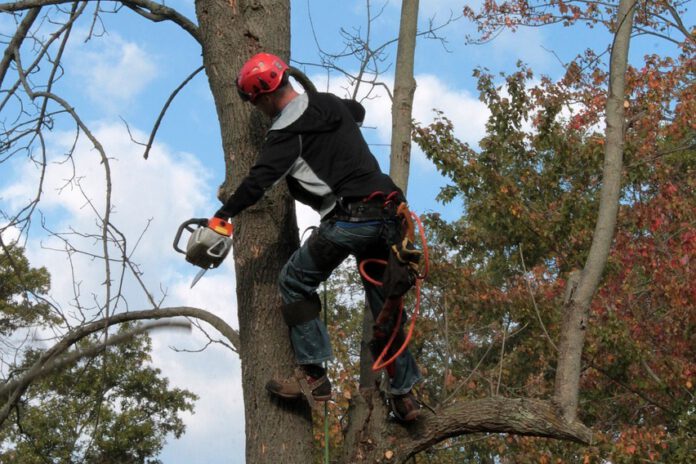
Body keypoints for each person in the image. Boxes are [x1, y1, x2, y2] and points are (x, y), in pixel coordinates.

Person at [214, 52, 421, 421]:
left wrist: (222, 215)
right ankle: (405, 397)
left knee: (293, 281)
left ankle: (314, 378)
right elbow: (356, 111)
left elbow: (257, 183)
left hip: (350, 219)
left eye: (255, 103)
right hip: (391, 216)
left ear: (262, 97)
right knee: (384, 305)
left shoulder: (285, 135)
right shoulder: (329, 104)